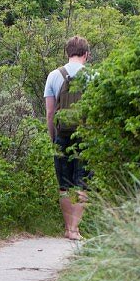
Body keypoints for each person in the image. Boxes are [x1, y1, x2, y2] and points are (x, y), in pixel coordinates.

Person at [44, 36, 91, 241]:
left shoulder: (54, 75)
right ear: (86, 54)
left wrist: (52, 137)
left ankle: (68, 228)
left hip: (61, 136)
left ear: (67, 53)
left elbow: (50, 113)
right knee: (82, 185)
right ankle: (74, 229)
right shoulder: (93, 76)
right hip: (85, 137)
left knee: (64, 186)